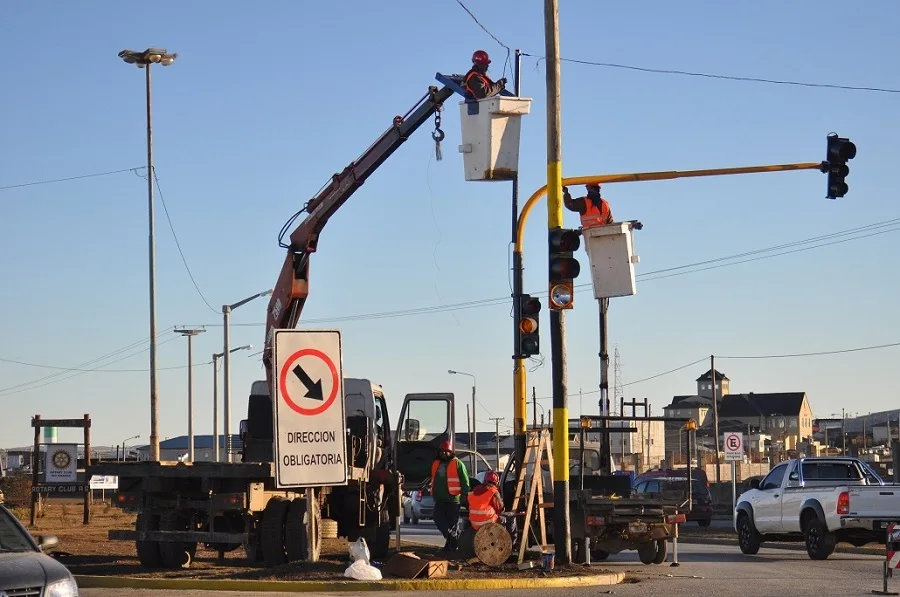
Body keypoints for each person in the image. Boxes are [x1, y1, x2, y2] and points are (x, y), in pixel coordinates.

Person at [430, 440, 471, 551]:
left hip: (453, 500)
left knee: (452, 524)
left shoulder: (458, 464)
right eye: (442, 451)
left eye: (446, 451)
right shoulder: (436, 464)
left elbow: (465, 481)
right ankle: (452, 541)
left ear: (451, 452)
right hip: (440, 499)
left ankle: (451, 546)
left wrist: (464, 495)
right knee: (438, 519)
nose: (444, 453)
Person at [466, 470, 517, 543]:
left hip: (474, 524)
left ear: (485, 480)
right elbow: (500, 509)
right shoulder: (493, 491)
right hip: (488, 522)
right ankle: (510, 542)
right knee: (511, 516)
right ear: (496, 482)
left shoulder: (474, 491)